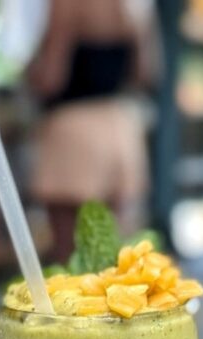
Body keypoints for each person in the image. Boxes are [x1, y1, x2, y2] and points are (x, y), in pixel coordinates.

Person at [28, 0, 158, 261]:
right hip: (120, 127)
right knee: (112, 256)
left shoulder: (67, 5)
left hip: (74, 131)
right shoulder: (136, 6)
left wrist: (30, 72)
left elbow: (51, 79)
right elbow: (146, 73)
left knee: (69, 256)